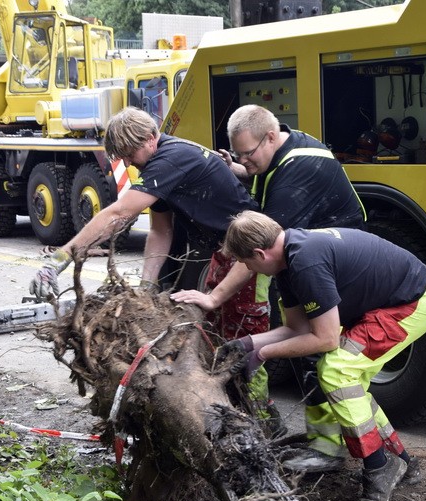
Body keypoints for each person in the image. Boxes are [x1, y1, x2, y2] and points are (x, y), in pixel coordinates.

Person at [28, 107, 271, 406]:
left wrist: (60, 259)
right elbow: (160, 232)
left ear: (151, 138)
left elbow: (120, 213)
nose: (129, 162)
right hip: (222, 253)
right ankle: (228, 406)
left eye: (131, 153)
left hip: (251, 254)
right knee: (216, 336)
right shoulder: (159, 164)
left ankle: (261, 414)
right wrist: (146, 287)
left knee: (244, 334)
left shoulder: (172, 158)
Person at [171, 105, 366, 463]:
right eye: (239, 154)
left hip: (325, 269)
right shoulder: (282, 152)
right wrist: (237, 167)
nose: (245, 162)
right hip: (309, 261)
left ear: (270, 137)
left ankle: (328, 450)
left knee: (318, 354)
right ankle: (323, 441)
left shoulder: (299, 172)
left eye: (248, 154)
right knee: (303, 343)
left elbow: (256, 256)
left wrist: (214, 298)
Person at [218, 210, 426, 501]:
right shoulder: (288, 263)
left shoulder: (306, 261)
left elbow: (325, 339)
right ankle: (399, 459)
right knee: (349, 383)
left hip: (410, 303)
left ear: (259, 253)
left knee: (335, 371)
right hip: (389, 303)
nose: (247, 268)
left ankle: (379, 468)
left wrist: (263, 354)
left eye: (246, 262)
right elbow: (298, 329)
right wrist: (247, 345)